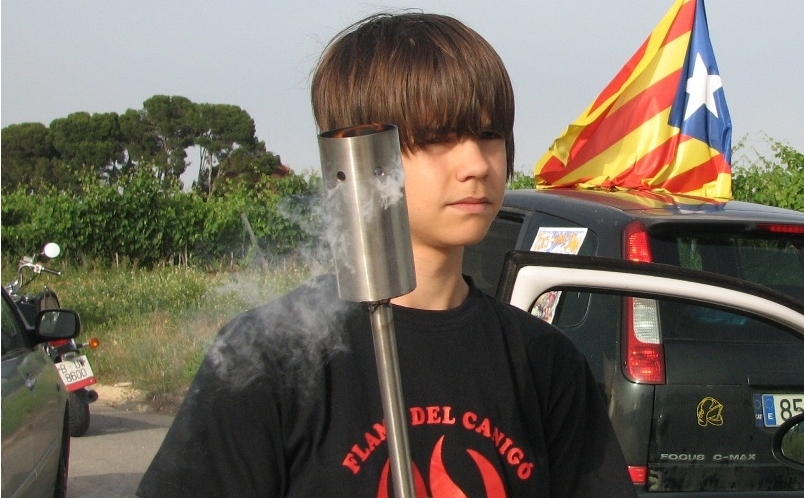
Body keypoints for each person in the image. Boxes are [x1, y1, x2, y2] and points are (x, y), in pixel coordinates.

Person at [137, 12, 636, 497]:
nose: (476, 164)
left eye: (489, 136)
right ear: (364, 156)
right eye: (437, 139)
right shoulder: (270, 357)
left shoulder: (544, 361)